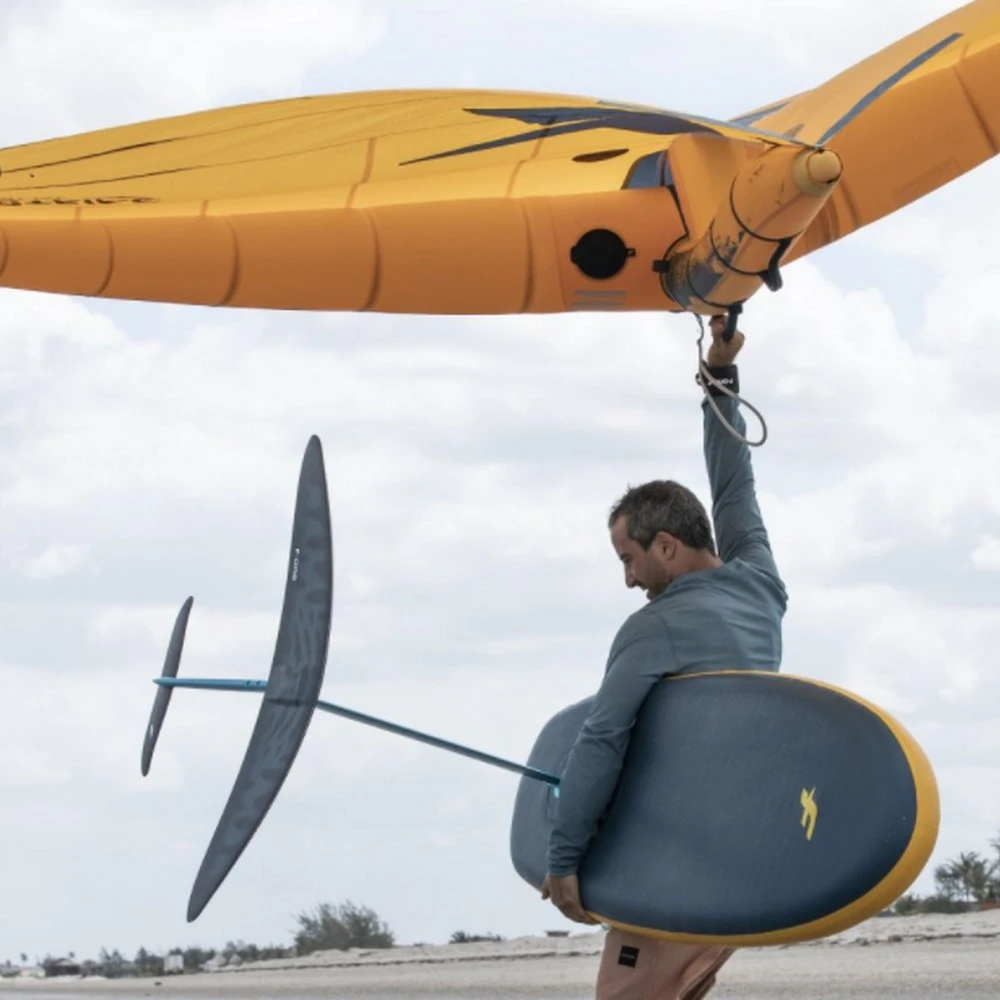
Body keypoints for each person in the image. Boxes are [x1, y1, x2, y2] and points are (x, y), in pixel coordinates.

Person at [540, 315, 788, 999]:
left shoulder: (654, 629)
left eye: (629, 558)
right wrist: (720, 376)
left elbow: (602, 738)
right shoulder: (761, 582)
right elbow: (735, 487)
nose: (628, 579)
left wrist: (564, 857)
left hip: (679, 859)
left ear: (668, 547)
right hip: (745, 854)